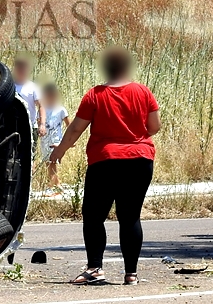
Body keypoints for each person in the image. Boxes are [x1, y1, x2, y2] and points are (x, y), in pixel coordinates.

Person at [49, 47, 160, 286]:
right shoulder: (143, 92)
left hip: (106, 161)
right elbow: (154, 127)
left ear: (106, 69)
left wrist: (60, 151)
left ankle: (95, 268)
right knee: (130, 217)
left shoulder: (95, 95)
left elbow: (76, 129)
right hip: (140, 159)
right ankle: (131, 274)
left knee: (93, 216)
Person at [39, 83, 69, 194]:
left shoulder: (61, 110)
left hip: (56, 141)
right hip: (45, 141)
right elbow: (39, 123)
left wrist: (69, 141)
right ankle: (57, 184)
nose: (51, 97)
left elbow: (69, 125)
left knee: (52, 161)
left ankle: (50, 186)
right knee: (49, 162)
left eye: (53, 95)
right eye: (49, 95)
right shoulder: (43, 110)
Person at [13, 57, 46, 140]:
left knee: (30, 152)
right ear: (15, 69)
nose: (21, 71)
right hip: (13, 127)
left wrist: (42, 124)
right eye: (19, 68)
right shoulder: (10, 87)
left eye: (23, 68)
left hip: (30, 126)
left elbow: (41, 106)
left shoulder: (33, 87)